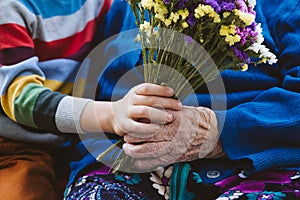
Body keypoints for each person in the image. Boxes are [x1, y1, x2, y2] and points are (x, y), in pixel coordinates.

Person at [64, 0, 300, 199]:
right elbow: (91, 91)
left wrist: (216, 131)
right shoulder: (125, 8)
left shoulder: (284, 6)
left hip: (253, 165)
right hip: (128, 163)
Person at [0, 0, 182, 199]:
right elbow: (21, 101)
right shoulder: (9, 9)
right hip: (16, 142)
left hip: (67, 139)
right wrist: (110, 115)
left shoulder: (97, 4)